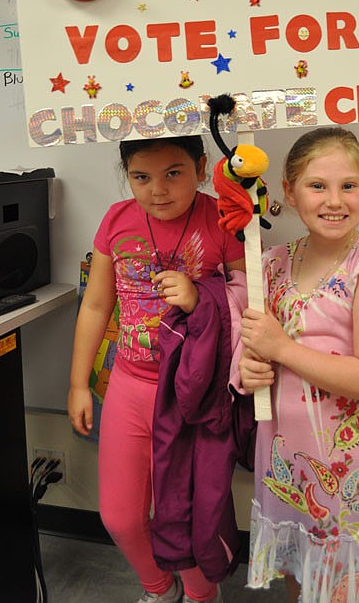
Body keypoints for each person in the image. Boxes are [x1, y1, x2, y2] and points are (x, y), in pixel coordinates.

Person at [237, 126, 359, 603]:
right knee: (301, 574)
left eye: (348, 185)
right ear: (290, 192)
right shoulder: (271, 264)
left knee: (337, 586)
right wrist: (249, 369)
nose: (334, 200)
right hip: (285, 458)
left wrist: (281, 349)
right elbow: (255, 348)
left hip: (343, 466)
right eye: (317, 185)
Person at [68, 135, 246, 603]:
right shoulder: (117, 219)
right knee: (121, 517)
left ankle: (202, 595)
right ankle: (159, 589)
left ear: (201, 168)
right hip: (129, 384)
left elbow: (250, 301)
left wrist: (198, 296)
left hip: (192, 393)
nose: (157, 190)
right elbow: (96, 305)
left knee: (184, 515)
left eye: (173, 174)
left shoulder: (222, 219)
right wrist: (78, 384)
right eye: (141, 177)